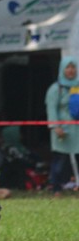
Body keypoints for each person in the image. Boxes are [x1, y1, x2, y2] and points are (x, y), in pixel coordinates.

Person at [45, 56, 79, 192]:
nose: (71, 70)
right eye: (68, 67)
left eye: (73, 67)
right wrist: (55, 126)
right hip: (62, 129)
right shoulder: (55, 89)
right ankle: (56, 188)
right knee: (60, 160)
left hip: (77, 129)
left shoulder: (77, 86)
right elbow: (51, 109)